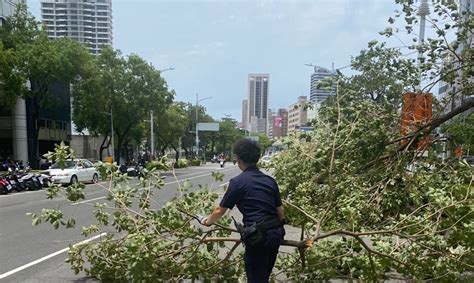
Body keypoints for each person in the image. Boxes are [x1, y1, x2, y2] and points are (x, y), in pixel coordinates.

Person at [200, 138, 285, 283]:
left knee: (255, 278)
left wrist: (206, 222)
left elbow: (220, 211)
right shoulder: (270, 181)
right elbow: (280, 212)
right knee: (263, 275)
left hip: (258, 237)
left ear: (238, 159)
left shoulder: (238, 182)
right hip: (275, 233)